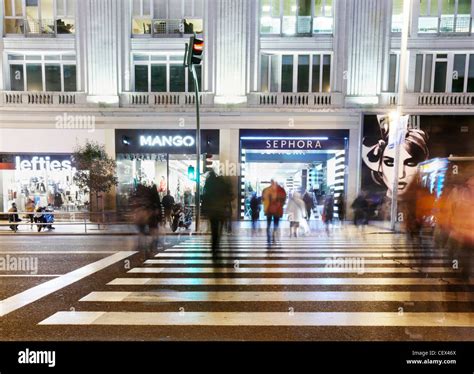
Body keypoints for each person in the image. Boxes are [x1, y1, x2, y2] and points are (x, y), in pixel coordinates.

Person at [362, 115, 429, 201]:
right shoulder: (370, 205)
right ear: (380, 165)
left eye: (410, 163)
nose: (400, 175)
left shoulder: (428, 205)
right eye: (390, 163)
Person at [202, 171, 231, 251]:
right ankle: (217, 240)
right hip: (220, 209)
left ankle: (214, 244)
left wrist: (204, 210)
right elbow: (228, 195)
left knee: (214, 228)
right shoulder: (221, 184)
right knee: (219, 226)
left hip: (212, 210)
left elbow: (205, 197)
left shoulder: (209, 184)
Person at [262, 179, 287, 247]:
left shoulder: (266, 190)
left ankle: (270, 238)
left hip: (269, 210)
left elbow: (263, 199)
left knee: (269, 224)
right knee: (275, 224)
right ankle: (273, 237)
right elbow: (284, 199)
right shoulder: (281, 190)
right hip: (276, 210)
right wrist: (280, 205)